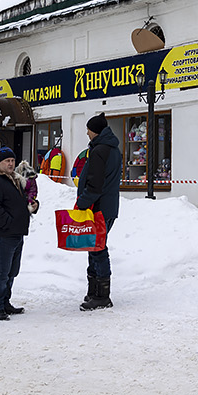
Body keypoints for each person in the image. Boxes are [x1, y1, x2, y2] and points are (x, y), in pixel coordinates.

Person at [74, 113, 122, 311]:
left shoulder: (99, 150)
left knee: (98, 249)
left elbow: (95, 183)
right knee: (94, 247)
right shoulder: (112, 149)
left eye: (88, 129)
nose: (86, 132)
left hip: (98, 207)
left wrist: (82, 203)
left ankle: (102, 295)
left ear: (95, 131)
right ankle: (94, 291)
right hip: (107, 206)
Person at [0, 146, 32, 321]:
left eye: (12, 161)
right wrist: (8, 223)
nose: (11, 164)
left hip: (17, 233)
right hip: (3, 234)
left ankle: (5, 302)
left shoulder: (14, 179)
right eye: (7, 161)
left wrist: (31, 207)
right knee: (3, 272)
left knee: (12, 271)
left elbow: (18, 203)